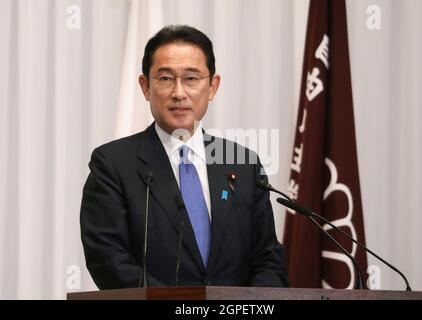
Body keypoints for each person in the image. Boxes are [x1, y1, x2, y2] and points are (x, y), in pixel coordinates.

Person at [80, 25, 288, 289]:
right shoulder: (113, 164)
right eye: (165, 78)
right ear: (145, 87)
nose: (179, 93)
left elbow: (267, 259)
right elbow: (108, 260)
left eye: (191, 78)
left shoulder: (243, 164)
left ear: (213, 86)